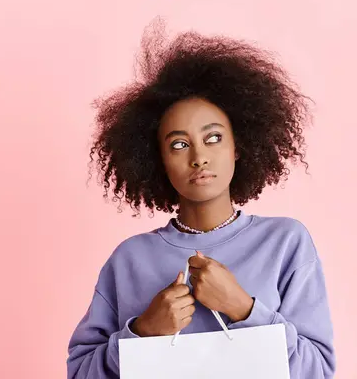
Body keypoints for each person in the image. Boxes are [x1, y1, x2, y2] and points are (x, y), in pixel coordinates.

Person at [66, 20, 336, 378]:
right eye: (179, 144)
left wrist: (243, 308)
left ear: (238, 147)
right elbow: (80, 372)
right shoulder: (129, 259)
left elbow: (318, 371)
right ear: (156, 160)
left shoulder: (286, 243)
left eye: (213, 138)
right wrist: (143, 332)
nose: (199, 157)